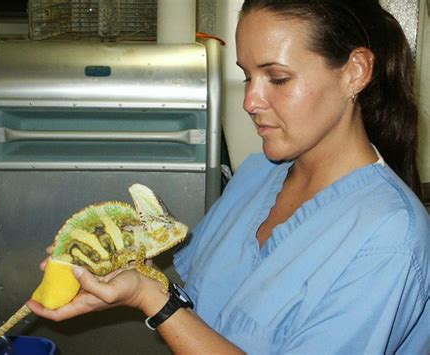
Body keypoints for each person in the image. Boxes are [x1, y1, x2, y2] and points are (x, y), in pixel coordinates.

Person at [28, 0, 430, 353]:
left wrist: (155, 300)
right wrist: (132, 279)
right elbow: (202, 304)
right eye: (247, 76)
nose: (250, 101)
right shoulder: (256, 176)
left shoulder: (390, 236)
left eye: (278, 78)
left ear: (355, 72)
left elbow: (172, 307)